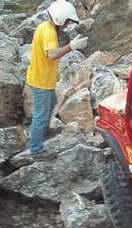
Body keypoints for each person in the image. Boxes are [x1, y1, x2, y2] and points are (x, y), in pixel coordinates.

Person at [26, 0, 88, 156]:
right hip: (41, 82)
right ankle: (36, 150)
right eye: (67, 22)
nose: (67, 25)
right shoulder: (49, 33)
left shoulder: (44, 26)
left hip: (42, 79)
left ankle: (41, 133)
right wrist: (71, 47)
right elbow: (52, 54)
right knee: (41, 115)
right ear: (60, 18)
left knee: (51, 103)